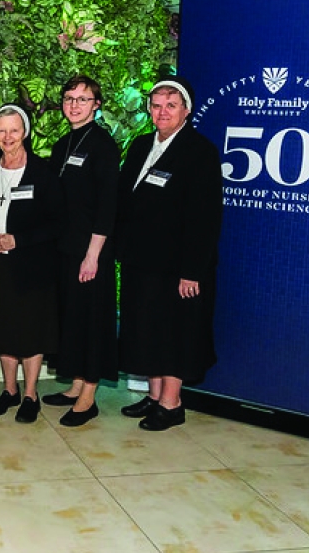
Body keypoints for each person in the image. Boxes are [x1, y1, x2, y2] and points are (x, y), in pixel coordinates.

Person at [115, 76, 222, 431]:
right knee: (148, 330)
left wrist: (192, 270)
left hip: (177, 266)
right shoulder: (142, 144)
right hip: (141, 261)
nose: (162, 112)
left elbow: (205, 218)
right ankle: (155, 394)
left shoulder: (199, 152)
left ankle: (172, 404)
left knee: (175, 331)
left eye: (171, 105)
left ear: (186, 111)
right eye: (157, 105)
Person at [43, 76, 120, 427]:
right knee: (71, 319)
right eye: (69, 98)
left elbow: (107, 207)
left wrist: (93, 255)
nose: (74, 105)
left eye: (83, 99)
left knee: (91, 322)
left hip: (91, 252)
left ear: (96, 105)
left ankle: (88, 396)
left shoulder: (103, 145)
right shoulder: (63, 144)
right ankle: (75, 386)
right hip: (64, 249)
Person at [0, 104, 58, 423]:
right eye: (1, 130)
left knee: (31, 331)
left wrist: (18, 240)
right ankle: (10, 390)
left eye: (13, 130)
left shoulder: (43, 172)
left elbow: (56, 223)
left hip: (33, 265)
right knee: (3, 329)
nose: (7, 137)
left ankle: (30, 394)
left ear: (24, 132)